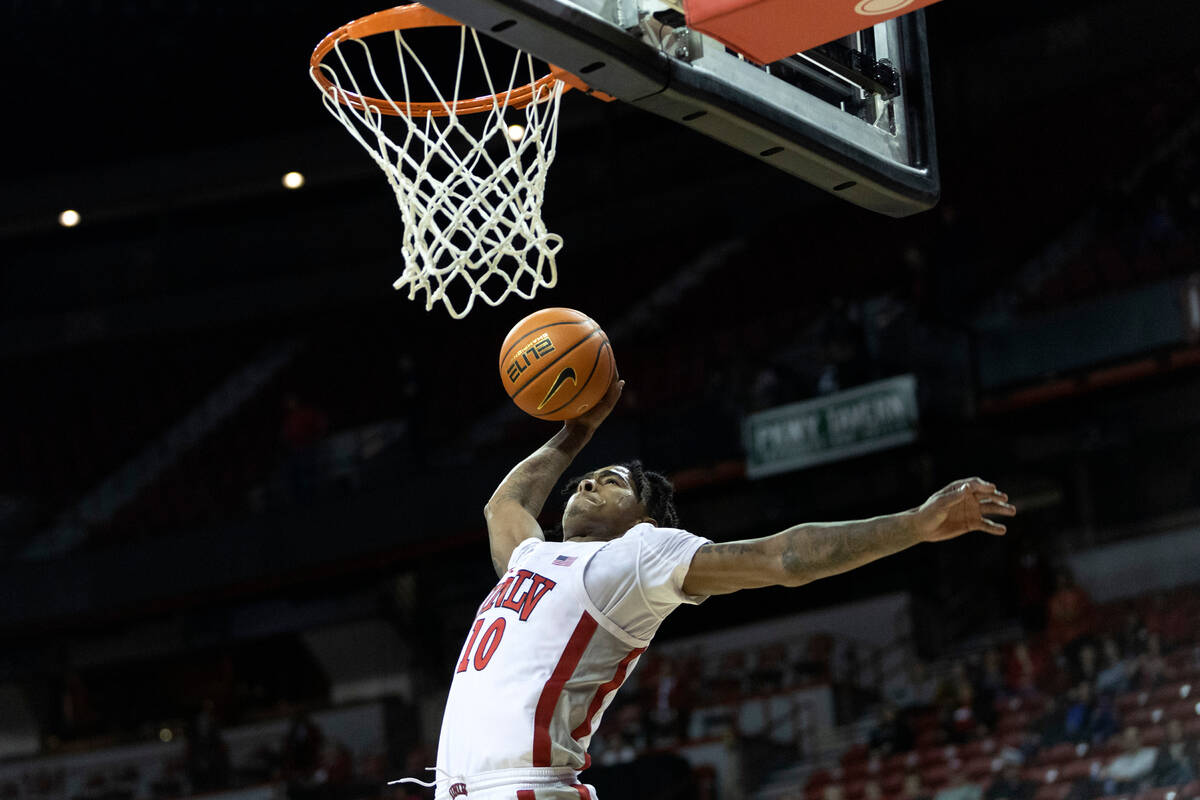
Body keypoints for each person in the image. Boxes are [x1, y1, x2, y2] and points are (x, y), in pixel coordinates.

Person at [400, 378, 1016, 800]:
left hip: (527, 787)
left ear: (644, 518)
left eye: (610, 481)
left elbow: (783, 558)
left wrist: (913, 525)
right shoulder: (529, 556)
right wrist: (574, 432)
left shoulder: (640, 555)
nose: (586, 485)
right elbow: (503, 504)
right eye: (585, 480)